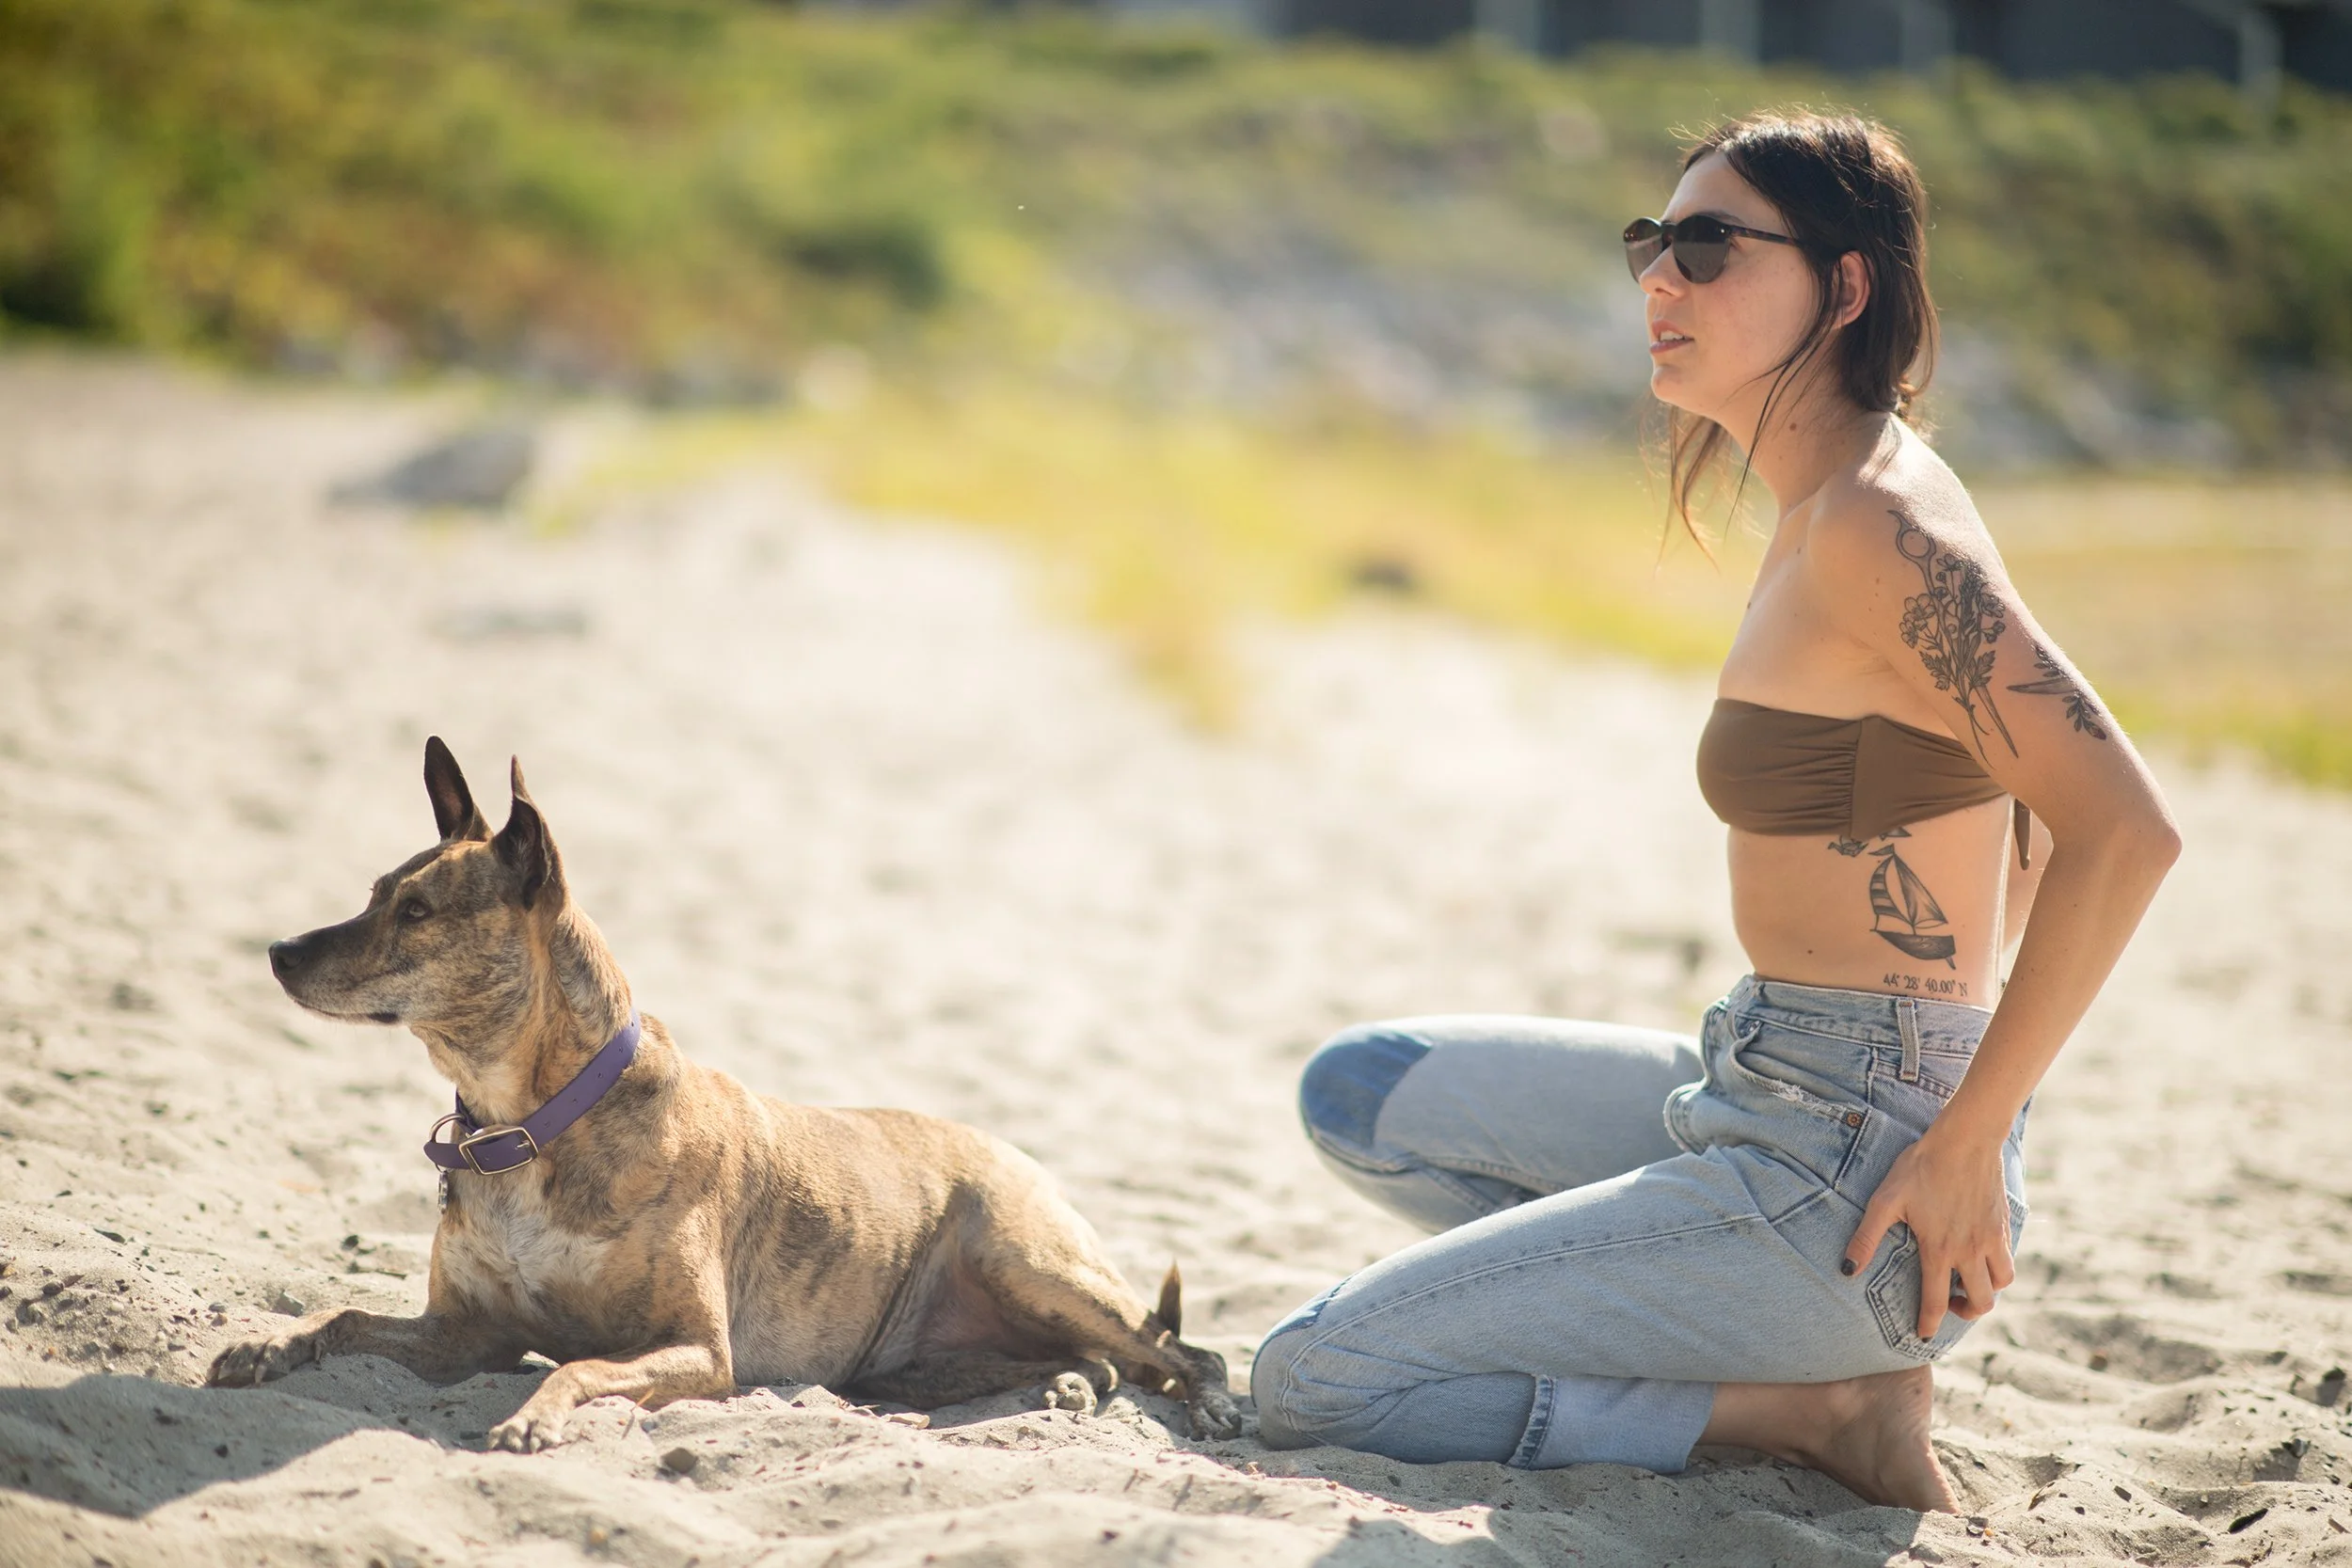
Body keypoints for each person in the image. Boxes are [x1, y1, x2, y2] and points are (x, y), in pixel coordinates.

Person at [1248, 111, 2181, 1512]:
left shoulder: (1878, 523)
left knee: (1317, 1379)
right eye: (1651, 243)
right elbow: (2024, 828)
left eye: (1706, 245)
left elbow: (2121, 826)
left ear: (1844, 285)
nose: (1657, 280)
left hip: (1853, 1177)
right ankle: (1788, 1347)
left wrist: (1967, 1136)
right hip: (1761, 1075)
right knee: (1363, 1092)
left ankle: (1805, 1407)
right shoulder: (1827, 507)